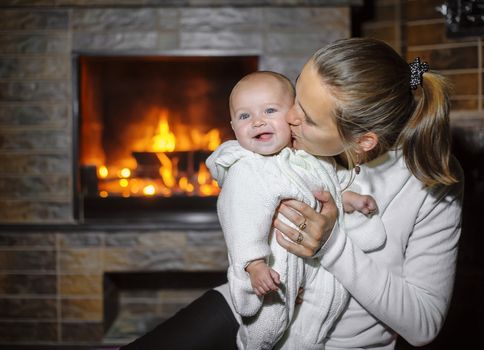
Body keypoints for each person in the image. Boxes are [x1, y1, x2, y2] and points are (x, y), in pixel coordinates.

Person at [120, 37, 463, 350]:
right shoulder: (290, 141)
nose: (289, 116)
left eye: (309, 119)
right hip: (255, 311)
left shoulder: (431, 184)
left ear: (363, 142)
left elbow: (424, 324)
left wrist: (331, 246)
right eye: (297, 95)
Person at [205, 71, 382, 350]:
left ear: (293, 116)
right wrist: (254, 264)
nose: (257, 121)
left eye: (270, 110)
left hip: (316, 263)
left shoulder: (306, 158)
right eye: (244, 116)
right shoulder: (247, 169)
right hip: (276, 266)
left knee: (327, 304)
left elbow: (324, 189)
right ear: (233, 127)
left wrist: (350, 200)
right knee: (268, 323)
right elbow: (239, 220)